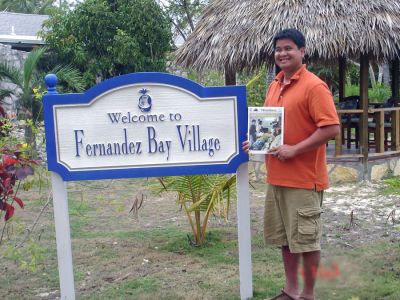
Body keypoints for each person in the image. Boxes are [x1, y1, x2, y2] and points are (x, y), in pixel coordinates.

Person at [243, 28, 340, 300]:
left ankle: (307, 295)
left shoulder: (314, 86)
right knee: (285, 240)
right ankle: (291, 290)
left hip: (303, 180)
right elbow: (271, 128)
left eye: (288, 48)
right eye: (278, 49)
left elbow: (331, 128)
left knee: (306, 243)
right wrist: (257, 142)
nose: (282, 53)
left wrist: (295, 149)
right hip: (277, 178)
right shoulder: (275, 84)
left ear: (302, 51)